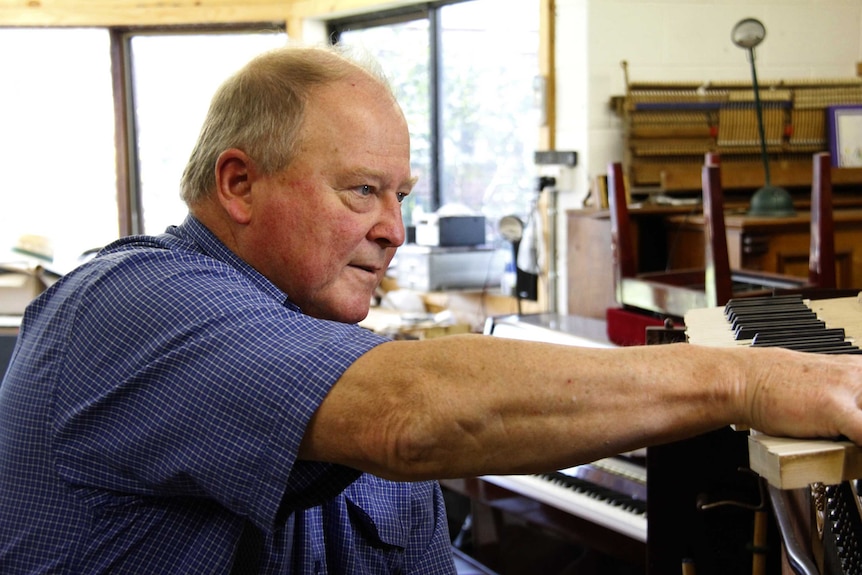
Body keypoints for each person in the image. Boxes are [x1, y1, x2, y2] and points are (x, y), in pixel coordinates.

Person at [1, 44, 861, 575]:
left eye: (401, 195)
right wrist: (749, 377)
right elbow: (409, 415)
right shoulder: (131, 306)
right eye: (362, 191)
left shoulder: (322, 340)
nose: (395, 229)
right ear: (239, 184)